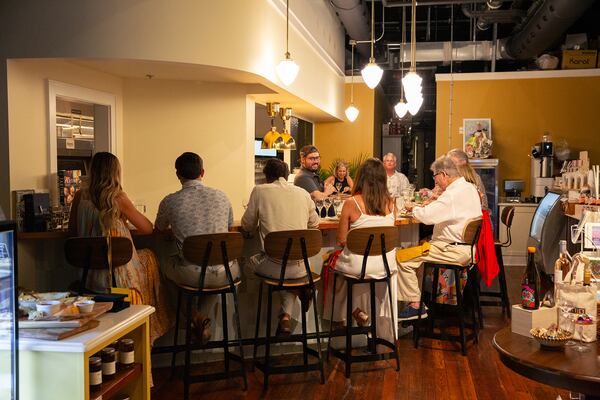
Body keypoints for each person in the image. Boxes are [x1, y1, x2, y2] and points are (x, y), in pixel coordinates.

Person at [68, 152, 172, 344]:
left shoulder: (79, 197)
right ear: (115, 173)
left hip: (88, 275)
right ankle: (146, 327)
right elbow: (148, 228)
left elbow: (72, 233)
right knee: (149, 257)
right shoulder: (118, 198)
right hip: (117, 275)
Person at [155, 152, 237, 344]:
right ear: (202, 172)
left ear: (178, 175)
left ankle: (194, 316)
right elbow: (230, 228)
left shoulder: (170, 201)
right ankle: (202, 320)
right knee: (215, 274)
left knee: (163, 268)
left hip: (191, 273)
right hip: (226, 272)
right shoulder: (221, 196)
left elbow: (158, 228)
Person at [397, 155, 482, 320]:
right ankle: (421, 299)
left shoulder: (451, 195)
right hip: (467, 249)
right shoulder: (469, 187)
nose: (435, 181)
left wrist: (411, 209)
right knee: (418, 254)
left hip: (451, 249)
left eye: (435, 177)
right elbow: (447, 209)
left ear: (443, 174)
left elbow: (427, 217)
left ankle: (416, 305)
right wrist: (435, 201)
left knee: (402, 258)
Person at [241, 158, 320, 335]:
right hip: (302, 269)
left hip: (273, 267)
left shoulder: (260, 191)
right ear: (286, 175)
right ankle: (285, 315)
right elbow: (315, 224)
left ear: (267, 176)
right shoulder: (302, 193)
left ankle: (251, 324)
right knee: (288, 278)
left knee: (247, 265)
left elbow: (247, 225)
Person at [327, 158, 397, 339]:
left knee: (332, 265)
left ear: (361, 178)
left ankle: (343, 316)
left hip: (359, 266)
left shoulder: (352, 202)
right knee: (353, 272)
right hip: (385, 266)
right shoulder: (391, 203)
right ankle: (358, 312)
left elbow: (341, 240)